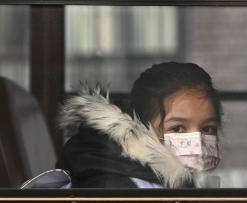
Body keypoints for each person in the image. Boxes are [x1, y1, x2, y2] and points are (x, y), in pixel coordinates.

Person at [57, 62, 222, 188]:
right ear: (141, 129)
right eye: (177, 128)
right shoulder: (125, 190)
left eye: (207, 128)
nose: (198, 143)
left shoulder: (178, 185)